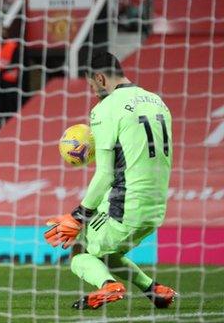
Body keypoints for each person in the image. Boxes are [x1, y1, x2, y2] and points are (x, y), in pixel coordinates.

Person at [44, 52, 177, 309]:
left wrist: (77, 216)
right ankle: (153, 289)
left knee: (80, 249)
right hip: (157, 205)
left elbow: (104, 173)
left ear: (100, 78)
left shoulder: (105, 109)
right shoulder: (157, 101)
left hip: (125, 203)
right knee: (107, 252)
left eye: (92, 86)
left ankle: (109, 286)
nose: (94, 92)